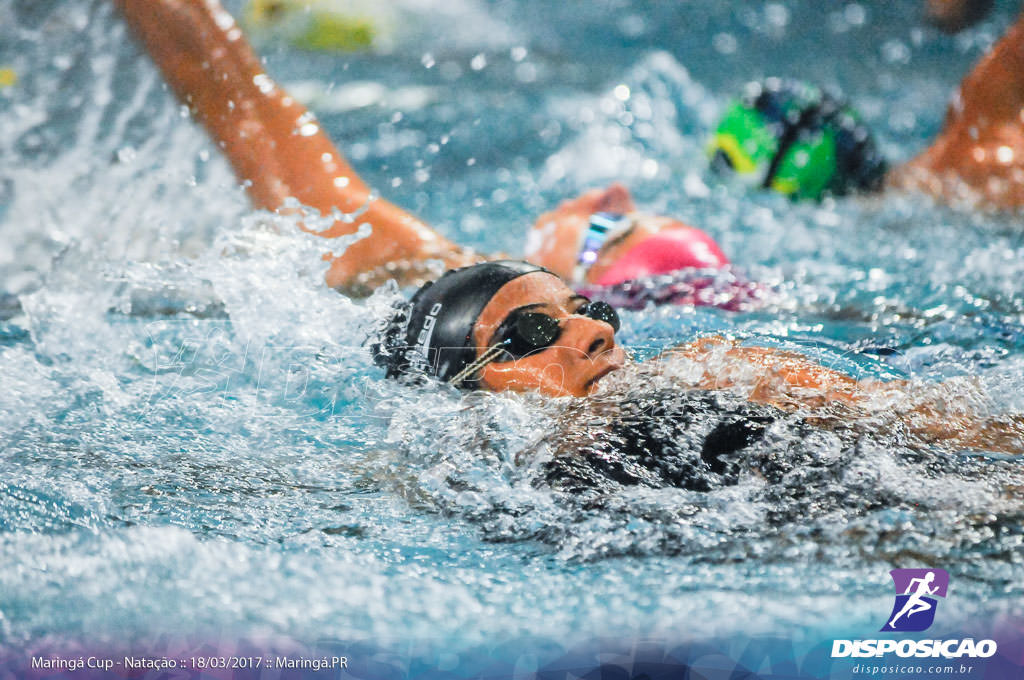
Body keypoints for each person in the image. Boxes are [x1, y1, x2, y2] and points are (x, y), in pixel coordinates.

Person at [113, 0, 1024, 458]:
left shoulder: (720, 370)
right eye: (537, 325)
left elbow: (247, 115)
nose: (611, 185)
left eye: (611, 232)